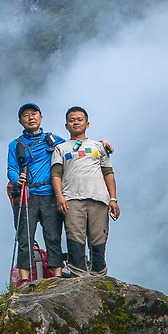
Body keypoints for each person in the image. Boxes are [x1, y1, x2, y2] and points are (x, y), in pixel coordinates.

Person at [51, 106, 119, 277]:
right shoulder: (61, 148)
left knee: (99, 238)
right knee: (75, 238)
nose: (75, 122)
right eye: (71, 120)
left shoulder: (99, 146)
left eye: (79, 119)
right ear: (66, 125)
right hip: (72, 198)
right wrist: (59, 196)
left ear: (87, 124)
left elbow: (108, 173)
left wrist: (113, 199)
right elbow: (56, 174)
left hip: (98, 198)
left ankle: (99, 274)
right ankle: (78, 274)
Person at [7, 102, 66, 286]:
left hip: (50, 193)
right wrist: (17, 179)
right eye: (26, 115)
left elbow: (73, 148)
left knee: (53, 235)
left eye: (34, 114)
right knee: (25, 237)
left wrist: (100, 144)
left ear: (41, 117)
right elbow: (11, 168)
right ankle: (25, 279)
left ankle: (57, 275)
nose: (30, 117)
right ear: (20, 121)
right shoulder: (15, 145)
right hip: (27, 194)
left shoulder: (54, 140)